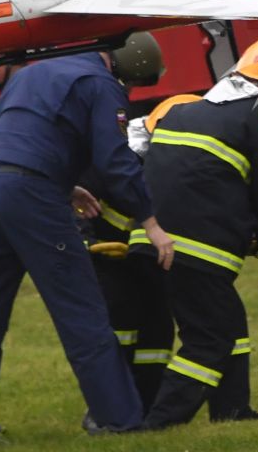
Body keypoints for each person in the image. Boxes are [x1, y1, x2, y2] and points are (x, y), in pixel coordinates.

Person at [0, 34, 173, 441]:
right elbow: (115, 160)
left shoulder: (34, 72)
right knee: (81, 309)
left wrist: (66, 188)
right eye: (134, 83)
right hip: (32, 195)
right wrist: (151, 223)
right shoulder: (100, 84)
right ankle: (120, 420)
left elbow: (19, 134)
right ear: (124, 68)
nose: (131, 90)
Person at [140, 36, 258, 429]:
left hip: (152, 242)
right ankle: (160, 423)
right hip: (196, 249)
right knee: (210, 338)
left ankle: (231, 409)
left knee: (229, 321)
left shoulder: (186, 111)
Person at [81, 93, 198, 412]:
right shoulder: (121, 154)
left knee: (157, 329)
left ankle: (147, 401)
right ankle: (109, 405)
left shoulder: (180, 159)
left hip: (149, 260)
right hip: (111, 258)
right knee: (119, 329)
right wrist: (87, 240)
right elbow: (82, 196)